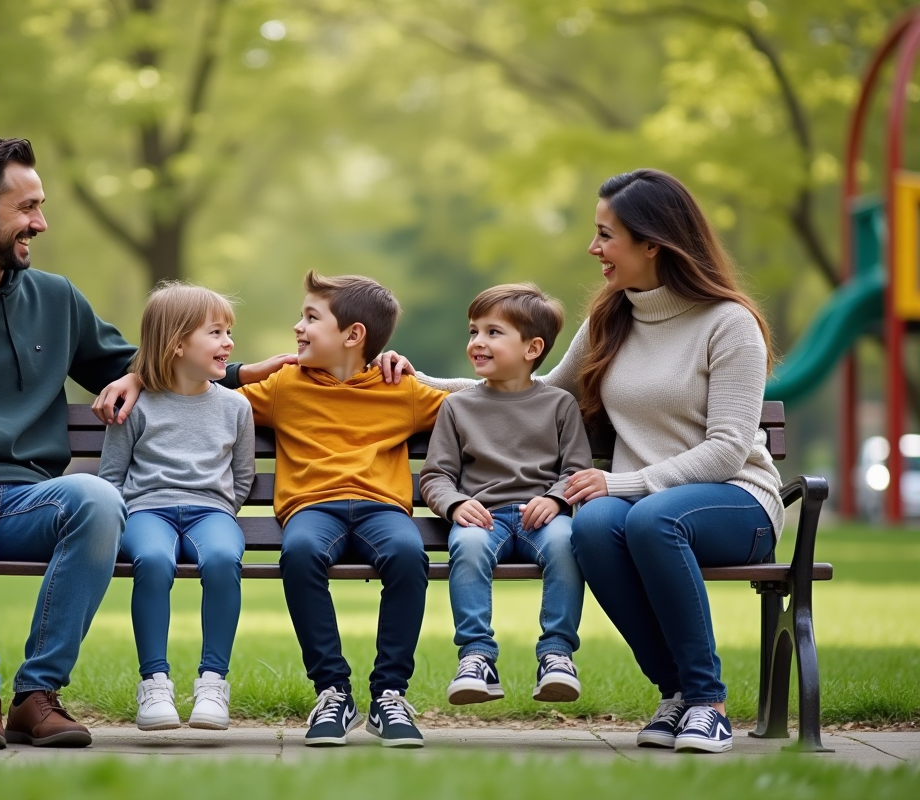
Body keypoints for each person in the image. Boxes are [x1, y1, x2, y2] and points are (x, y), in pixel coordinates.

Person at [0, 135, 286, 749]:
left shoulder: (55, 299)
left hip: (29, 500)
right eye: (27, 209)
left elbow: (149, 361)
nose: (40, 223)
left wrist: (229, 375)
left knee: (98, 500)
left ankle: (37, 695)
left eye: (39, 207)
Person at [376, 169, 783, 755]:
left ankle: (707, 701)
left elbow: (726, 447)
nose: (594, 250)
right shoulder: (611, 320)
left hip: (734, 500)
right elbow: (533, 390)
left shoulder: (729, 323)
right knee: (593, 525)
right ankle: (675, 693)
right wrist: (417, 381)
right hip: (641, 504)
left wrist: (624, 482)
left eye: (605, 236)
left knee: (646, 518)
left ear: (653, 243)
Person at [234, 271, 447, 748]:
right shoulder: (283, 386)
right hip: (313, 508)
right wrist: (143, 377)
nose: (298, 327)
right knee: (301, 552)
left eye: (312, 317)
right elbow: (210, 406)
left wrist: (421, 375)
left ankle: (389, 693)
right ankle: (333, 691)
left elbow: (481, 404)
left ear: (354, 336)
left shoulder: (403, 390)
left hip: (381, 509)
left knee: (409, 556)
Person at [419, 284, 592, 708]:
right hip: (484, 517)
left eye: (493, 332)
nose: (477, 342)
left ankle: (556, 654)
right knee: (470, 547)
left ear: (532, 347)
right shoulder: (458, 407)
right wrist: (457, 504)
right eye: (473, 331)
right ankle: (476, 657)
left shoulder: (560, 405)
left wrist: (555, 500)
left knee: (568, 545)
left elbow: (576, 470)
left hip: (544, 517)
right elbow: (436, 476)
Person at [97, 282, 255, 732]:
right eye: (217, 333)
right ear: (178, 343)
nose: (229, 343)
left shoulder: (235, 407)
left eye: (229, 332)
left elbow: (242, 478)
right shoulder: (137, 404)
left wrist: (221, 509)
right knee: (152, 559)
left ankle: (212, 682)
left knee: (224, 557)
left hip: (212, 514)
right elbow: (112, 477)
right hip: (148, 512)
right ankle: (155, 682)